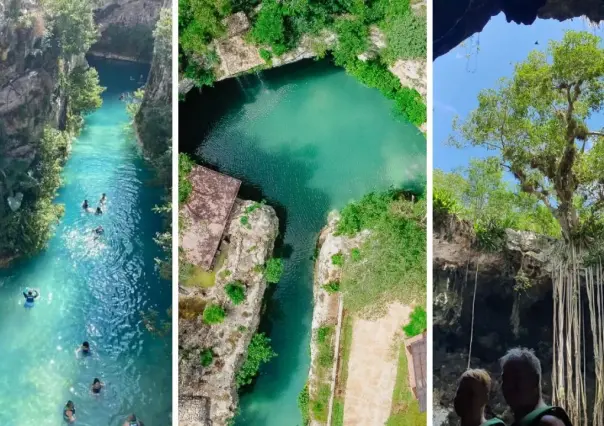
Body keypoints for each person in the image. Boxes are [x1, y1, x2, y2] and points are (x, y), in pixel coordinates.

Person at [501, 347, 572, 426]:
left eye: (517, 378)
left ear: (535, 380)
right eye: (505, 379)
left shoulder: (547, 423)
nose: (509, 385)